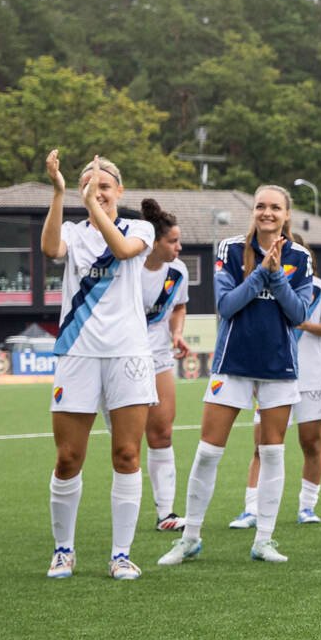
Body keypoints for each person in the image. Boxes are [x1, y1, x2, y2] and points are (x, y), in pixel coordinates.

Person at [159, 186, 313, 567]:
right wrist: (263, 273)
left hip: (279, 367)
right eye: (261, 206)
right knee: (208, 451)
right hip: (233, 362)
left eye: (275, 207)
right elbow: (227, 306)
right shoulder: (229, 249)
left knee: (272, 453)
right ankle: (190, 536)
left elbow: (299, 314)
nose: (267, 212)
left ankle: (263, 539)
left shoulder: (300, 257)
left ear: (286, 214)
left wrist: (276, 278)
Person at [39, 151, 155, 580]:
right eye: (91, 184)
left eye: (105, 186)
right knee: (68, 457)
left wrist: (92, 205)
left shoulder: (140, 229)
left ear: (120, 192)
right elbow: (51, 248)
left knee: (127, 454)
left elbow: (122, 251)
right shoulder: (72, 230)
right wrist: (59, 191)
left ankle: (121, 554)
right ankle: (63, 550)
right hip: (77, 352)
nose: (98, 191)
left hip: (128, 354)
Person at [230, 272, 321, 527]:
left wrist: (304, 324)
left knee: (311, 444)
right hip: (273, 375)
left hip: (311, 377)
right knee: (262, 445)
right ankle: (251, 509)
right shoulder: (265, 287)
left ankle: (307, 506)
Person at [137, 198, 190, 531]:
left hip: (158, 357)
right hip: (122, 356)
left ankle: (166, 514)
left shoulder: (178, 271)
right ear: (154, 243)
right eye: (172, 241)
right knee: (125, 443)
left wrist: (177, 334)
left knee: (162, 433)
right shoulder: (128, 264)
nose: (178, 247)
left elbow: (179, 306)